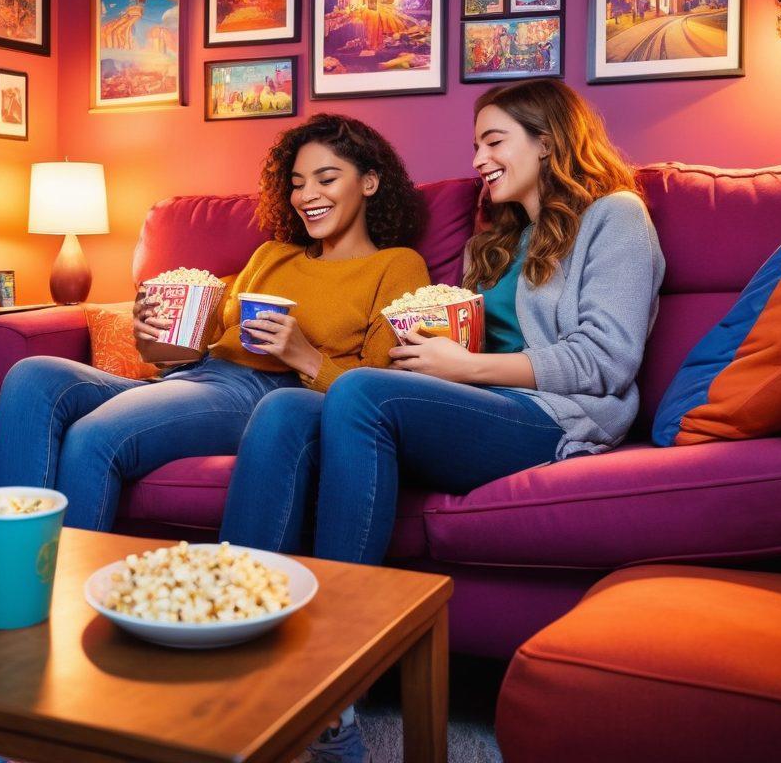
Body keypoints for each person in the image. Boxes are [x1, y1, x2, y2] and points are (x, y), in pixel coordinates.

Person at [222, 77, 665, 577]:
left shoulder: (615, 215)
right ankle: (241, 597)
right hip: (478, 403)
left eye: (493, 142)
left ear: (546, 141)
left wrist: (467, 367)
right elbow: (461, 344)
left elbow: (607, 361)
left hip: (555, 417)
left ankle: (344, 607)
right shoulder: (492, 245)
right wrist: (425, 356)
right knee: (285, 406)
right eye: (476, 146)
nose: (478, 160)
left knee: (360, 390)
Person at [0, 114, 429, 533]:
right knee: (33, 376)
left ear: (369, 182)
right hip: (198, 378)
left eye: (326, 179)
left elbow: (379, 393)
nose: (306, 195)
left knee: (93, 436)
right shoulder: (272, 254)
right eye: (297, 184)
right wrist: (155, 336)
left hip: (265, 396)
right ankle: (2, 566)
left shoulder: (396, 266)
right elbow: (197, 349)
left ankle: (52, 580)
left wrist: (304, 356)